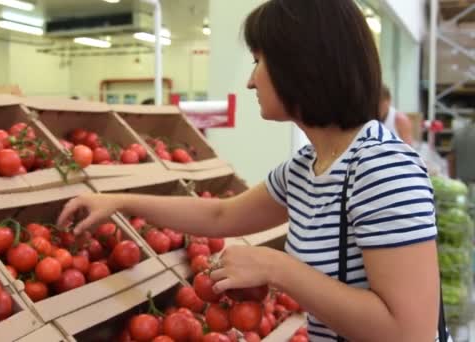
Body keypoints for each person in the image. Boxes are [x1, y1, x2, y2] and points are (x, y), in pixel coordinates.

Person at [57, 1, 444, 341]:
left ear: (301, 65)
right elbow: (221, 214)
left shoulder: (382, 168)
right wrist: (119, 201)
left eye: (259, 61)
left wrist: (279, 268)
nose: (249, 80)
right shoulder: (308, 168)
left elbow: (411, 333)